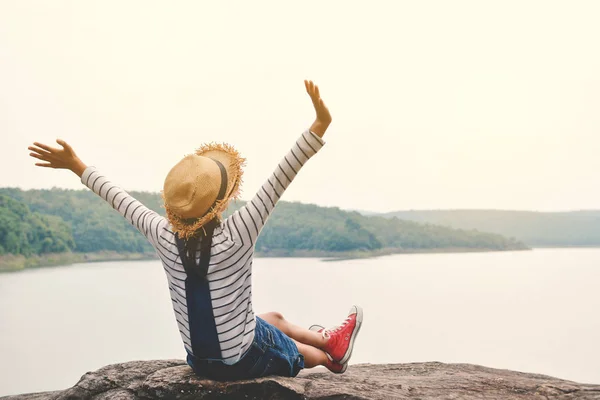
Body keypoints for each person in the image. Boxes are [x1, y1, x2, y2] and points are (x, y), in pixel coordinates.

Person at [28, 80, 363, 380]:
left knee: (272, 317)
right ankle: (331, 357)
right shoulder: (238, 233)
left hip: (199, 360)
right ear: (222, 202)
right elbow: (280, 178)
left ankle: (324, 337)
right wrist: (320, 125)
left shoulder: (162, 235)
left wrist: (77, 166)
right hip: (240, 361)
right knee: (288, 347)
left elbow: (120, 200)